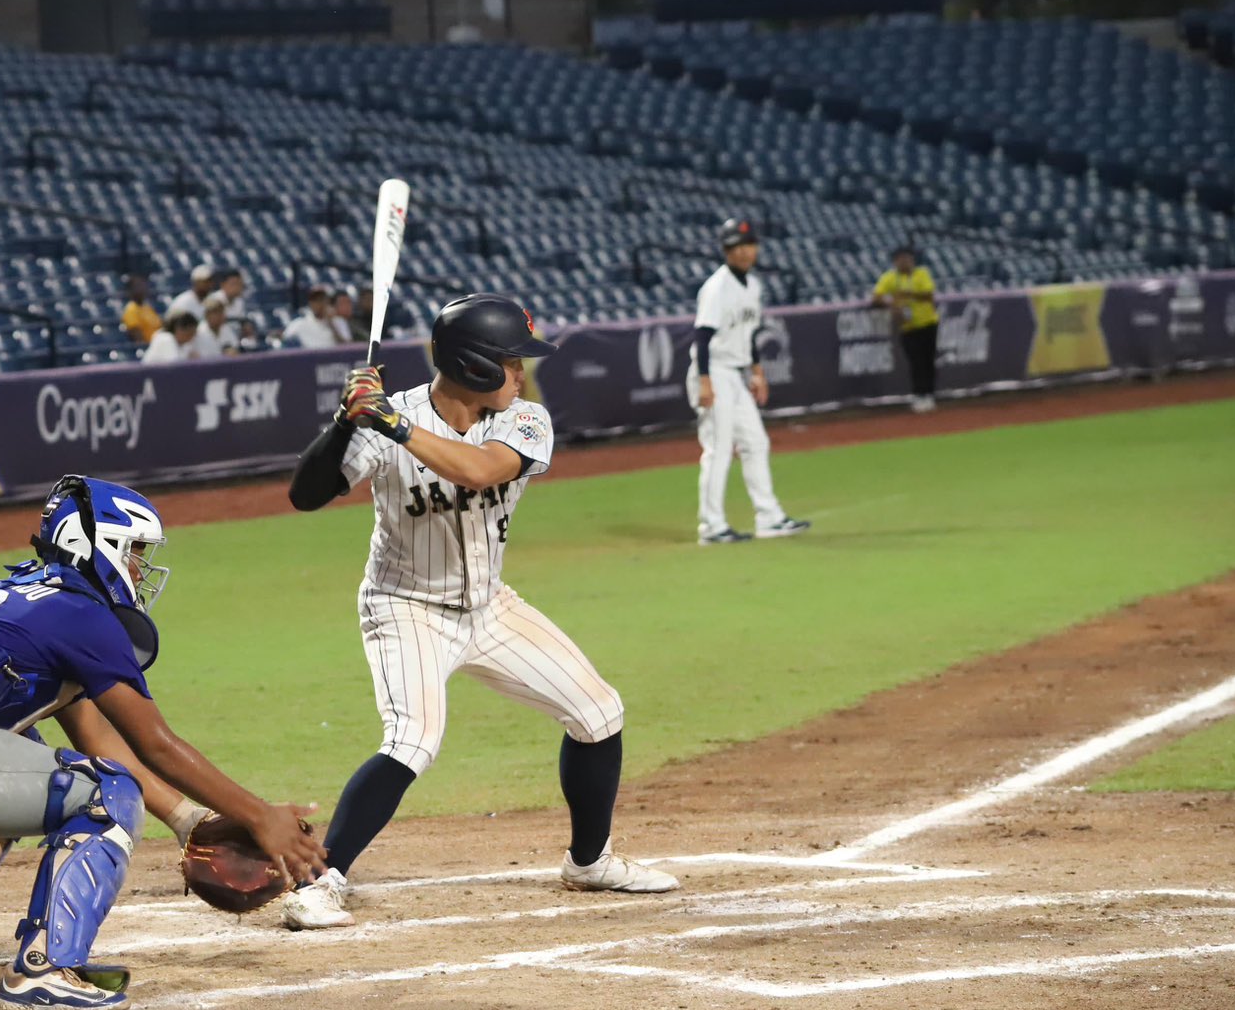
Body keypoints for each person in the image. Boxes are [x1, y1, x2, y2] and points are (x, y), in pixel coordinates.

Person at [0, 475, 326, 1010]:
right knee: (102, 794)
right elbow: (154, 745)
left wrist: (186, 820)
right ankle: (44, 971)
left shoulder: (30, 596)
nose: (140, 567)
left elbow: (98, 741)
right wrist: (259, 815)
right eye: (135, 550)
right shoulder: (81, 611)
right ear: (98, 543)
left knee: (27, 758)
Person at [278, 295, 678, 930]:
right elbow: (306, 495)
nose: (521, 373)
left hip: (491, 607)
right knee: (413, 739)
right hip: (404, 606)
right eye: (513, 361)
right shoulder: (388, 419)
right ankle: (321, 881)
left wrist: (390, 425)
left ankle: (590, 860)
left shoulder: (522, 421)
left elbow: (478, 471)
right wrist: (345, 422)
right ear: (478, 366)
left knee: (599, 712)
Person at [689, 220, 809, 545]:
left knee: (756, 442)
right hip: (712, 370)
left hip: (736, 372)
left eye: (748, 245)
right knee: (719, 450)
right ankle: (711, 526)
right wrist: (704, 382)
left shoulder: (753, 286)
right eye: (736, 247)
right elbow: (702, 337)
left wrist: (757, 371)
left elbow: (751, 333)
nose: (744, 252)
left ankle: (769, 518)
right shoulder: (717, 287)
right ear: (726, 251)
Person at [872, 244, 940, 413]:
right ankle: (919, 395)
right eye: (901, 259)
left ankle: (929, 395)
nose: (905, 262)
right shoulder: (890, 278)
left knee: (928, 360)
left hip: (928, 323)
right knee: (915, 361)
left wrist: (908, 295)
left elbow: (929, 295)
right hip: (908, 327)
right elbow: (876, 297)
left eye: (908, 259)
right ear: (895, 262)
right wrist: (891, 305)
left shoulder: (921, 274)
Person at [142, 309, 207, 365]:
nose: (193, 337)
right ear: (179, 329)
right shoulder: (165, 339)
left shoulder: (184, 345)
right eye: (191, 333)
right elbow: (175, 367)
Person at [120, 274, 162, 344]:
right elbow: (138, 340)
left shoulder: (148, 308)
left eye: (143, 285)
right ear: (130, 290)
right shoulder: (131, 310)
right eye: (138, 286)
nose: (142, 288)